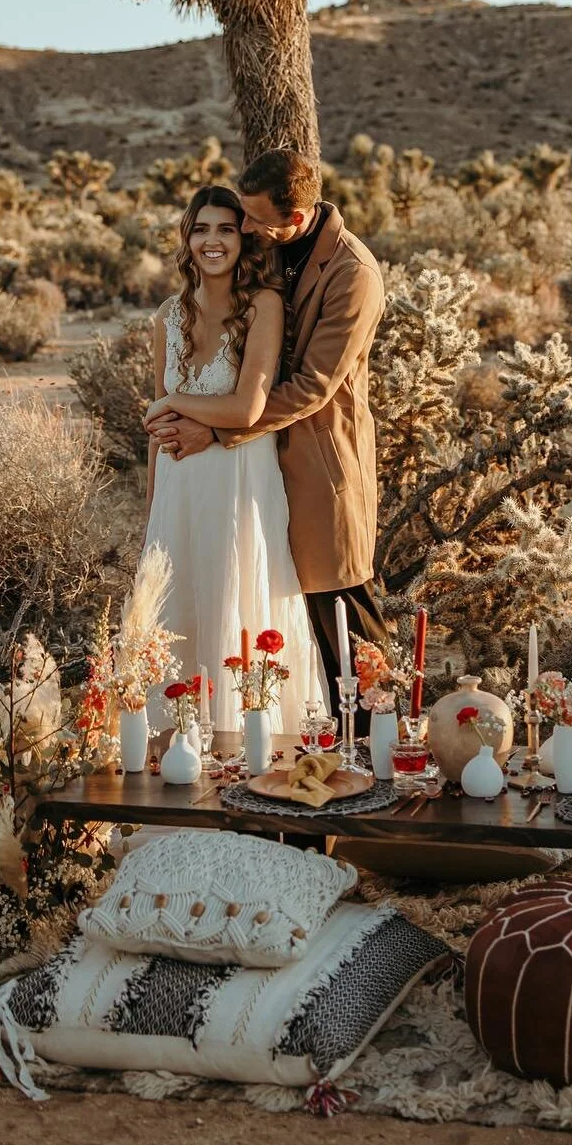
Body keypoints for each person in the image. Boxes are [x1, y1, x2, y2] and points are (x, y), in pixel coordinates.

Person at [147, 149, 389, 729]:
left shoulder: (353, 274)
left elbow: (313, 385)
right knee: (268, 612)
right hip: (253, 467)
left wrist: (217, 426)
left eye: (252, 221)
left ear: (297, 217)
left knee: (342, 620)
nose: (246, 230)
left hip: (318, 459)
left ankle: (381, 753)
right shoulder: (268, 252)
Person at [140, 184, 322, 723]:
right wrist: (153, 513)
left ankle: (247, 743)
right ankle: (177, 752)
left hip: (239, 480)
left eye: (225, 229)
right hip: (179, 488)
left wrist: (171, 401)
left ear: (243, 239)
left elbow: (246, 409)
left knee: (235, 600)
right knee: (180, 611)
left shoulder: (262, 307)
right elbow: (160, 434)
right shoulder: (166, 319)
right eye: (201, 229)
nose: (212, 241)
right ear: (186, 238)